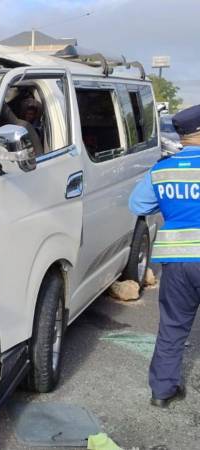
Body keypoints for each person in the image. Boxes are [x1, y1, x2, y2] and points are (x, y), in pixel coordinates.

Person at [129, 104, 200, 408]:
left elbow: (137, 205)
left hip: (177, 261)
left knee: (173, 326)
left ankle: (161, 391)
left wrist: (169, 206)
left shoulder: (162, 169)